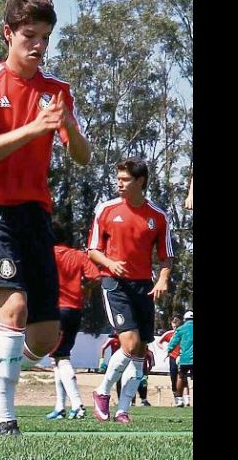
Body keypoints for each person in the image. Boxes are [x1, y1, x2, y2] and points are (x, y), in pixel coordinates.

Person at [0, 0, 92, 436]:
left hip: (35, 214)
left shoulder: (57, 92)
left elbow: (82, 157)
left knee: (44, 338)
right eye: (29, 35)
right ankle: (4, 420)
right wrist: (33, 127)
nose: (37, 45)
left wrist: (67, 125)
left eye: (45, 38)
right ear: (7, 34)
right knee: (11, 309)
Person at [88, 157, 173, 424]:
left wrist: (162, 280)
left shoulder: (158, 216)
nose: (119, 184)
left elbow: (166, 256)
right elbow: (92, 250)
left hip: (143, 286)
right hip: (114, 284)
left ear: (140, 181)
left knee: (140, 352)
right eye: (118, 178)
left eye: (124, 179)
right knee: (130, 343)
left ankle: (123, 409)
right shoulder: (106, 209)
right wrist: (111, 263)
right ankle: (102, 392)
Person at [44, 220, 100, 420]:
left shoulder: (45, 256)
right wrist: (84, 290)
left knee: (61, 358)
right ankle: (60, 407)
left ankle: (77, 404)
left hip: (54, 311)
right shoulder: (78, 255)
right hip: (74, 310)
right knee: (57, 358)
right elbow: (96, 277)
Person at [167, 310, 193, 407]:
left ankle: (179, 400)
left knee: (181, 377)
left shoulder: (181, 329)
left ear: (185, 319)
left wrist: (168, 350)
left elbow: (173, 342)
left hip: (185, 358)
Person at [158, 316, 184, 406]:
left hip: (182, 357)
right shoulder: (169, 334)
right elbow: (159, 342)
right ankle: (176, 397)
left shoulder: (183, 332)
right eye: (173, 326)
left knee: (182, 377)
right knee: (173, 378)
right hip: (173, 357)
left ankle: (183, 399)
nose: (175, 328)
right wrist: (165, 349)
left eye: (176, 326)